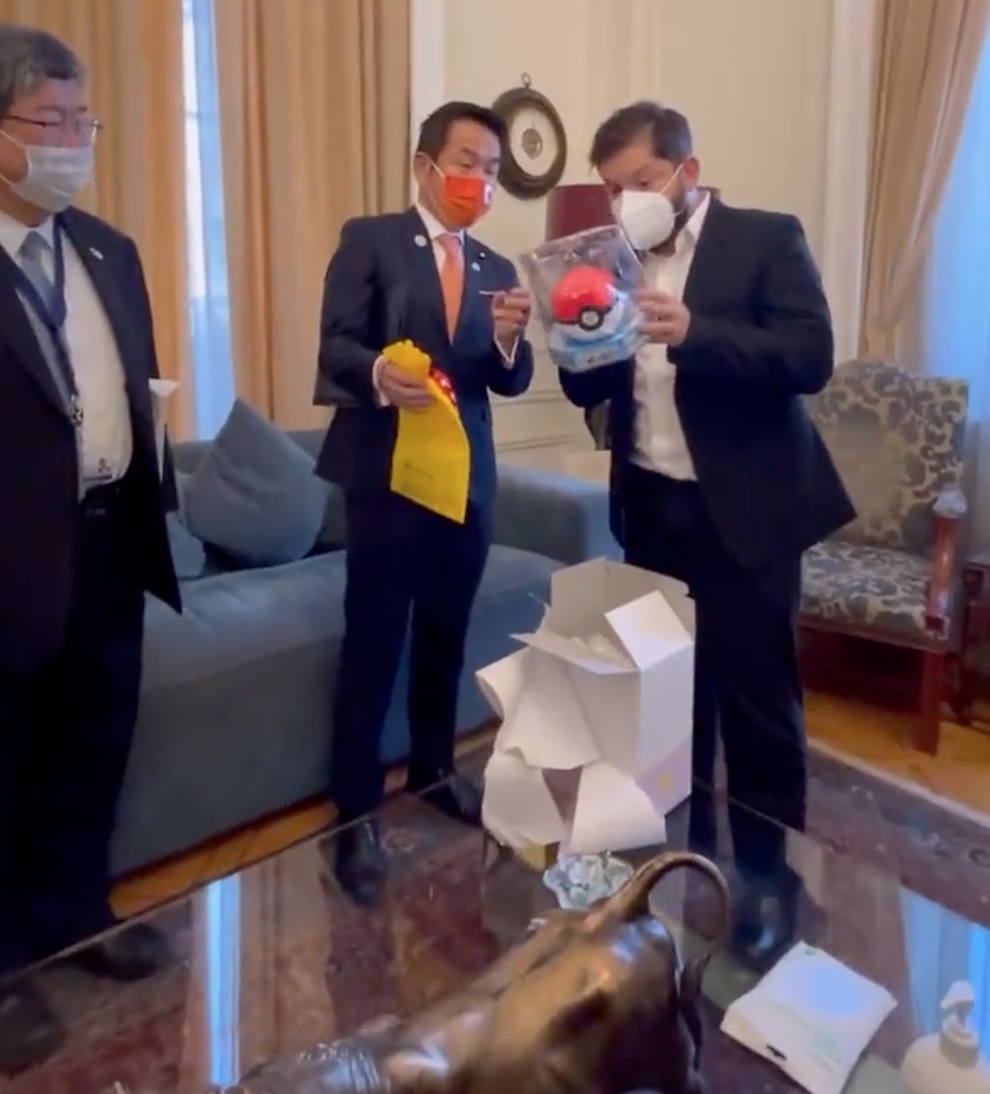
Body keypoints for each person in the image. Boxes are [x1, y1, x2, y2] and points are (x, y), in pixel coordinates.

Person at [558, 102, 855, 969]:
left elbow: (810, 356)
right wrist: (573, 344)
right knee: (667, 710)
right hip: (652, 512)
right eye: (613, 188)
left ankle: (766, 888)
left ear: (687, 172)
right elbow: (590, 392)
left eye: (642, 182)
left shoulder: (766, 238)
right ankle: (681, 866)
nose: (628, 201)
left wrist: (698, 334)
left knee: (758, 708)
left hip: (747, 515)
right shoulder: (608, 260)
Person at [0, 24, 182, 1070]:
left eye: (85, 121)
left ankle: (78, 916)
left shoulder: (109, 248)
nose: (73, 141)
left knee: (94, 743)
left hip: (112, 541)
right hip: (11, 563)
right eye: (50, 121)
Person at [314, 100, 534, 906]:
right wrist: (379, 372)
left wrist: (509, 339)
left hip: (465, 480)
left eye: (493, 169)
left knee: (446, 633)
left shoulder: (498, 268)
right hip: (387, 476)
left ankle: (435, 769)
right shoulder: (371, 240)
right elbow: (336, 345)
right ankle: (354, 814)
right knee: (375, 640)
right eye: (468, 162)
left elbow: (509, 379)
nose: (481, 180)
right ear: (425, 166)